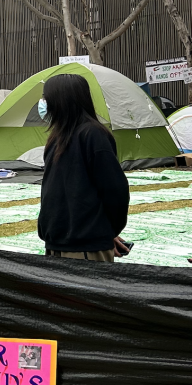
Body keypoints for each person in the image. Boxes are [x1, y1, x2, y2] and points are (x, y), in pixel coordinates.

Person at [36, 74, 130, 262]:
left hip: (84, 246)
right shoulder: (56, 138)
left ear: (61, 100)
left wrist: (107, 231)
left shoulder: (93, 135)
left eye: (46, 98)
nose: (43, 103)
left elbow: (115, 191)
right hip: (56, 242)